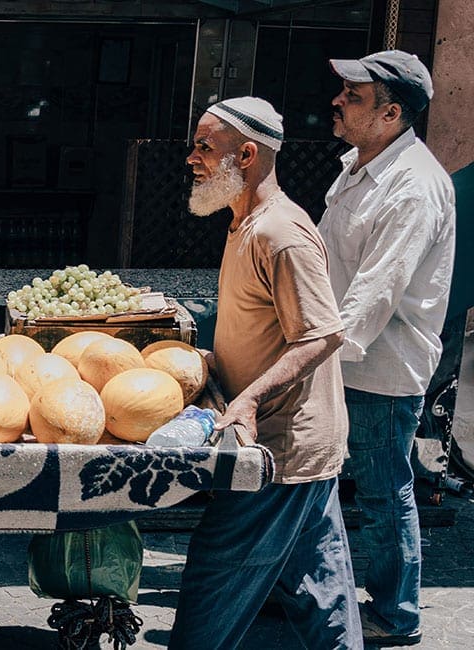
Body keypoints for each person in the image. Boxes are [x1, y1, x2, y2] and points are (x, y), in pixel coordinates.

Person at [170, 96, 360, 649]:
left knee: (214, 582)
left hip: (277, 448)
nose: (192, 158)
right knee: (319, 592)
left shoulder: (280, 233)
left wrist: (247, 399)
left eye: (205, 146)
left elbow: (324, 334)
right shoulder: (245, 223)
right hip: (297, 446)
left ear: (247, 155)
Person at [319, 50, 456, 647]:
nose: (338, 100)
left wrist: (311, 358)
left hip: (378, 368)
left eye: (354, 95)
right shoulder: (357, 165)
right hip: (337, 357)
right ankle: (317, 590)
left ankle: (395, 616)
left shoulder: (415, 187)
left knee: (380, 493)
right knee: (324, 484)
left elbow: (374, 293)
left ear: (390, 113)